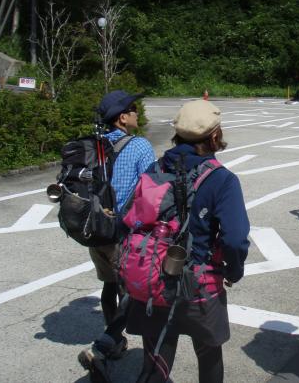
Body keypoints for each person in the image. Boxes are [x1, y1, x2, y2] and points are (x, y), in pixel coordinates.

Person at [127, 99, 250, 383]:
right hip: (200, 283)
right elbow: (234, 239)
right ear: (215, 136)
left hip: (153, 277)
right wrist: (233, 271)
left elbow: (131, 219)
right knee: (208, 354)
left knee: (156, 359)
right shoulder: (222, 179)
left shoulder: (155, 169)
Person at [78, 90, 156, 379]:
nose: (137, 113)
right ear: (123, 118)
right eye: (133, 109)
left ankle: (115, 343)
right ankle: (105, 346)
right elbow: (152, 189)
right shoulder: (139, 146)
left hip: (94, 230)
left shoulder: (93, 145)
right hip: (122, 232)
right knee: (133, 294)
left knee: (110, 285)